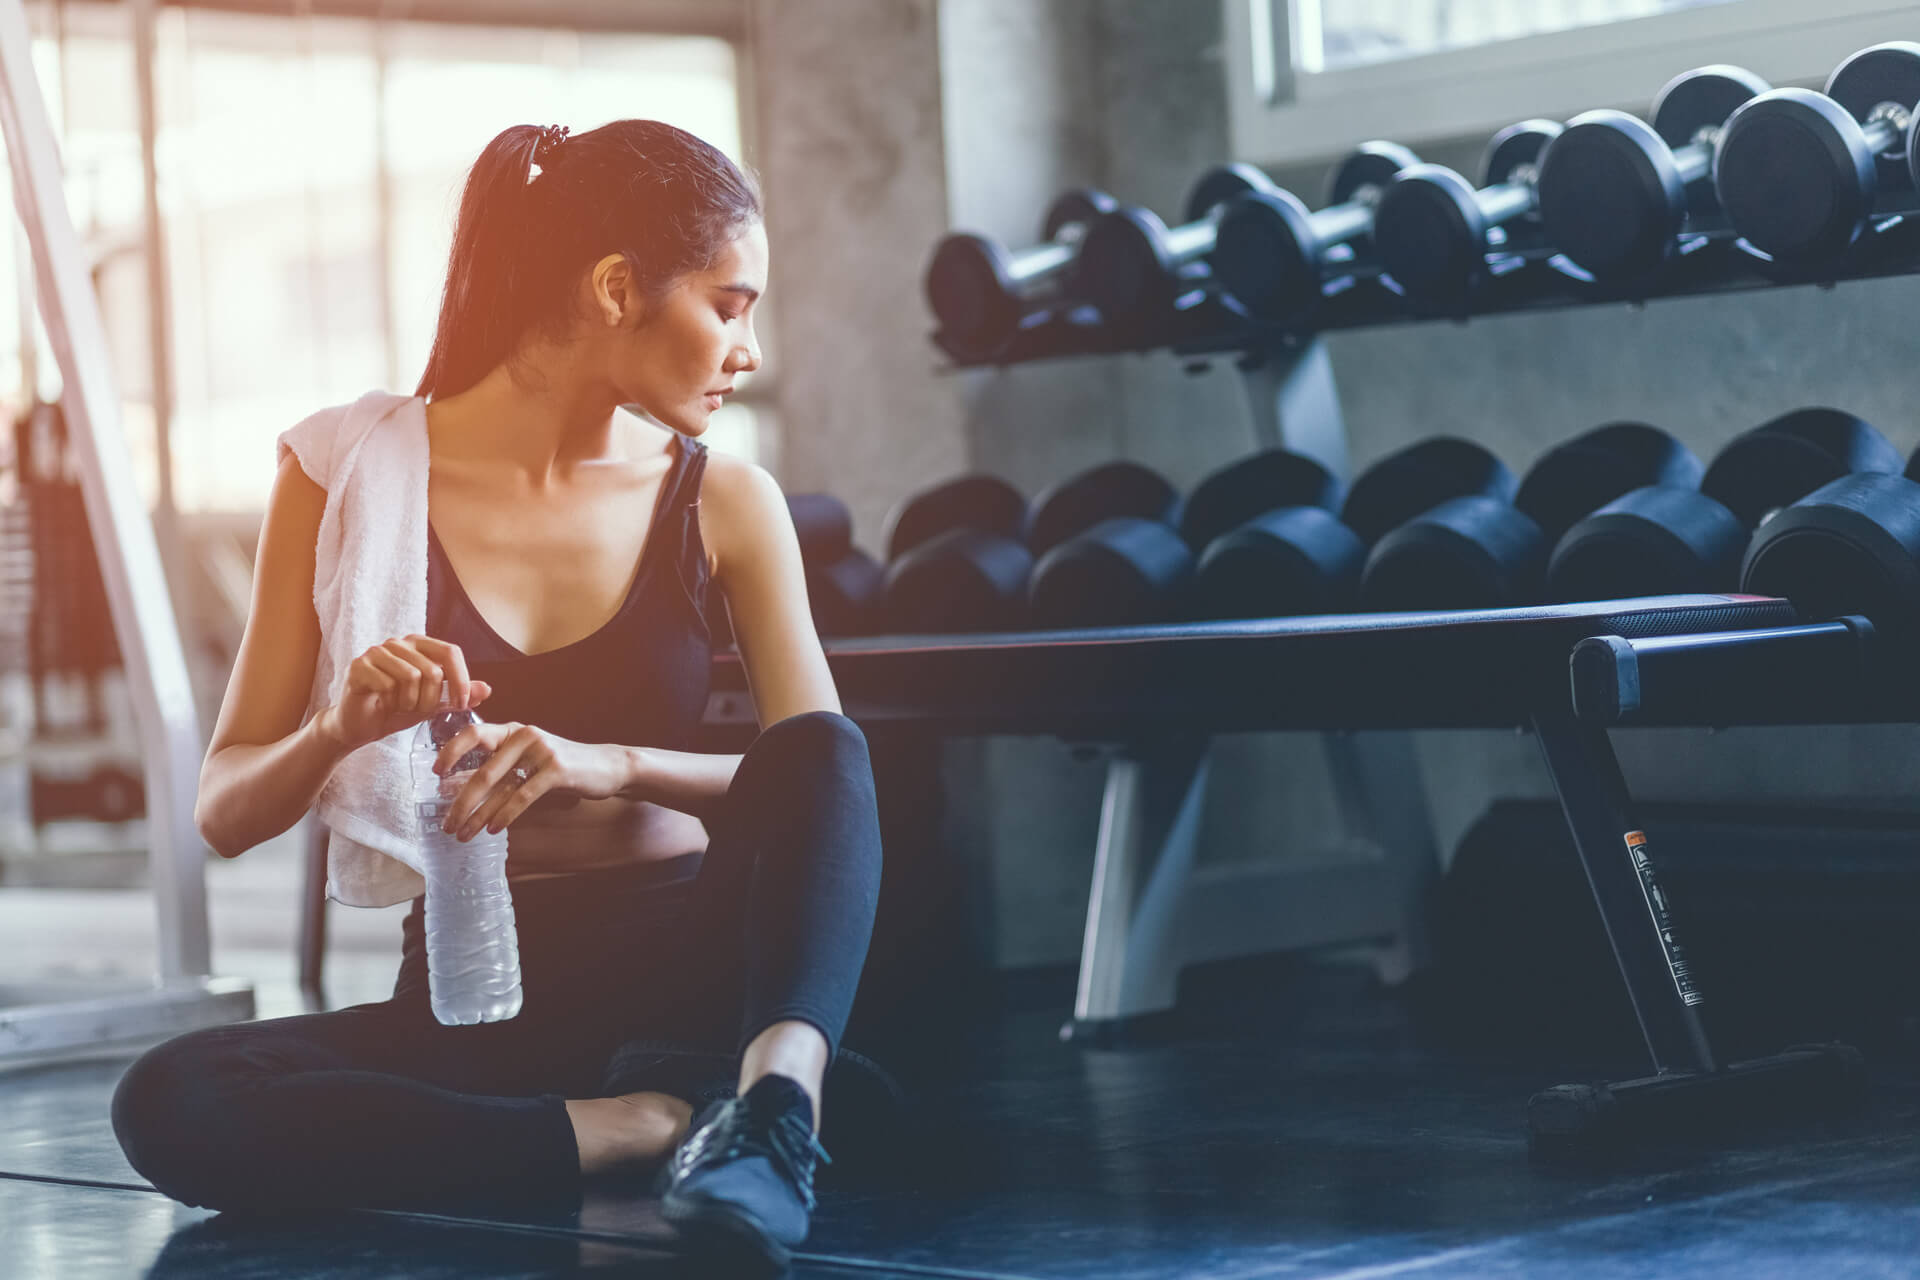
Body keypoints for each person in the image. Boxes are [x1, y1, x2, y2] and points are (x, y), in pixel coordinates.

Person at [109, 120, 884, 1270]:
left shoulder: (728, 500)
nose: (749, 349)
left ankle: (768, 1107)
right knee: (173, 1101)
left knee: (830, 746)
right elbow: (225, 811)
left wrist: (604, 760)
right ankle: (655, 1126)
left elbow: (807, 777)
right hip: (476, 994)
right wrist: (339, 727)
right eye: (730, 305)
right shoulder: (340, 478)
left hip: (698, 970)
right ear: (618, 287)